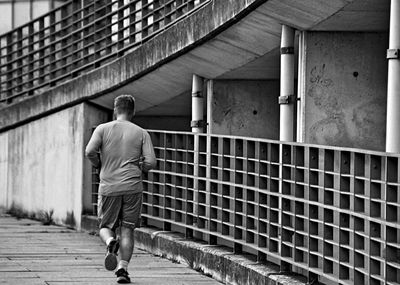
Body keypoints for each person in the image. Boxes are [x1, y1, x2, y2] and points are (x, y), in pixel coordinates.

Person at [85, 95, 156, 284]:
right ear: (133, 111)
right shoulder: (141, 132)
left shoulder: (102, 129)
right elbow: (151, 162)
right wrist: (140, 168)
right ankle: (123, 269)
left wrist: (99, 164)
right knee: (127, 230)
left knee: (105, 227)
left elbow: (89, 151)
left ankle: (110, 243)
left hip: (109, 186)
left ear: (115, 109)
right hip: (133, 187)